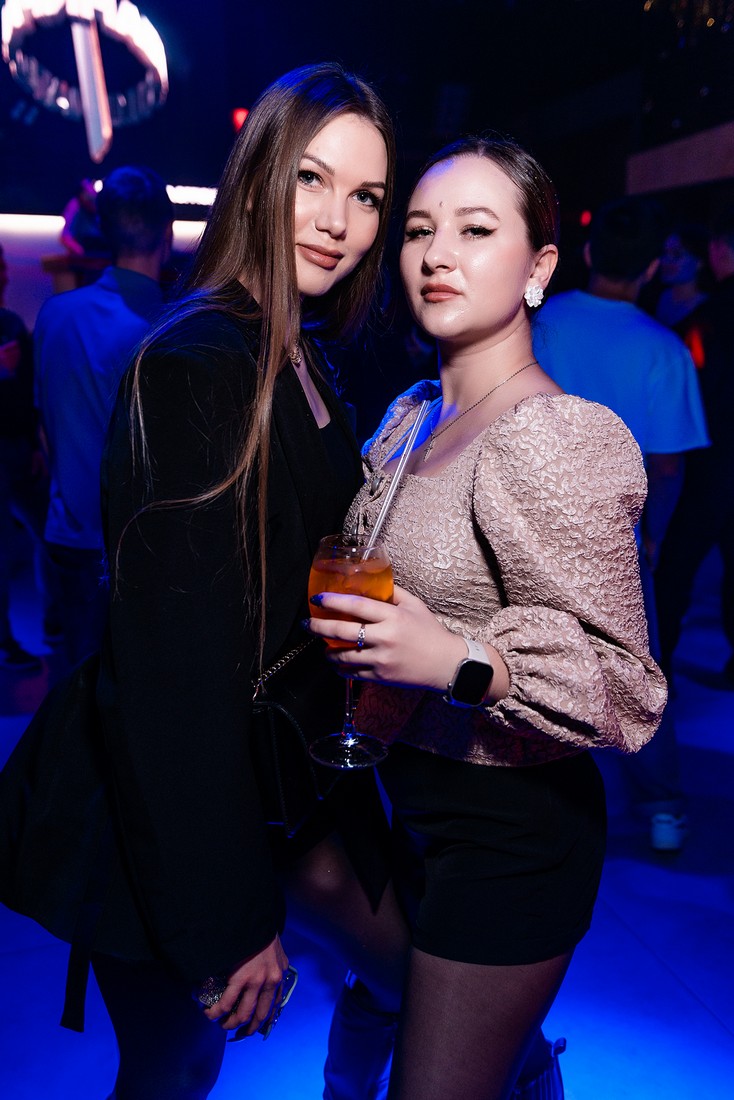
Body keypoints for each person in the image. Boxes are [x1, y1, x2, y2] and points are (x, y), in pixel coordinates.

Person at [1, 63, 408, 1100]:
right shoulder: (195, 362)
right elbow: (171, 678)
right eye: (312, 179)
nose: (340, 221)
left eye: (366, 195)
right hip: (168, 789)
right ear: (258, 175)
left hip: (272, 768)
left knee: (394, 976)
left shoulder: (297, 349)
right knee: (176, 1068)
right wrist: (232, 921)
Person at [306, 136, 667, 1100]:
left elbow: (628, 689)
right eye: (418, 230)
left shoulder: (550, 437)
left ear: (539, 267)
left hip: (511, 835)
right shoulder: (414, 414)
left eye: (475, 230)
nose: (436, 255)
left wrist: (461, 659)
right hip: (406, 801)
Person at [533, 196, 708, 852]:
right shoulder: (663, 349)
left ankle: (541, 801)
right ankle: (662, 808)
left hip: (530, 520)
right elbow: (668, 467)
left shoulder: (540, 324)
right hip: (613, 536)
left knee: (533, 664)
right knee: (636, 676)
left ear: (587, 253)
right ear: (652, 266)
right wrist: (654, 533)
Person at [34, 166, 173, 681]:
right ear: (167, 235)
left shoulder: (54, 315)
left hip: (68, 536)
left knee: (75, 691)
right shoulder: (171, 328)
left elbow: (45, 429)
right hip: (140, 550)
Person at [655, 204, 734, 688]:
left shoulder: (713, 312)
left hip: (708, 455)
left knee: (675, 563)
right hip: (707, 452)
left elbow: (703, 390)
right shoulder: (665, 306)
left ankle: (655, 667)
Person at [0, 242, 49, 671]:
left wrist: (34, 444)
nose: (3, 274)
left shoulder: (12, 322)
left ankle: (54, 621)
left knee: (44, 532)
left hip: (18, 447)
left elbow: (28, 391)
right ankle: (5, 641)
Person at [654, 222, 709, 330]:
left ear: (699, 262)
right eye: (664, 253)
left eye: (677, 254)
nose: (666, 261)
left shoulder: (709, 308)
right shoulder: (658, 297)